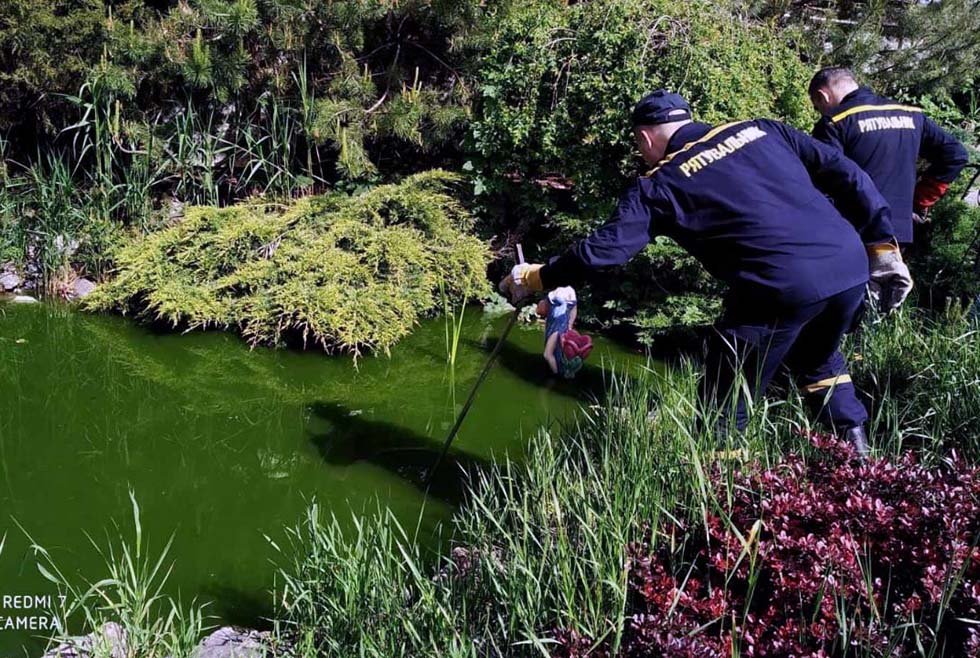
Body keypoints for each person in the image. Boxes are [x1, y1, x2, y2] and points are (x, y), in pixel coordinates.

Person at [500, 90, 914, 456]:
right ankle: (861, 466)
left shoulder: (659, 182)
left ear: (645, 138)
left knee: (725, 399)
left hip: (778, 286)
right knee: (820, 362)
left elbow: (605, 251)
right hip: (849, 266)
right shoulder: (762, 129)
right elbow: (850, 175)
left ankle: (723, 510)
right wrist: (881, 245)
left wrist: (538, 278)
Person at [809, 67, 969, 247]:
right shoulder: (911, 114)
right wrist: (920, 200)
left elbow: (825, 183)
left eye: (817, 107)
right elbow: (956, 155)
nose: (820, 112)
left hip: (854, 232)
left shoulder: (834, 122)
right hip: (899, 232)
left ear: (823, 96)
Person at [536, 286, 592, 378]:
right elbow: (574, 309)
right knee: (559, 351)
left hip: (556, 328)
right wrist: (569, 325)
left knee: (548, 354)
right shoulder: (571, 290)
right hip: (564, 326)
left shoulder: (557, 291)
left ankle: (556, 375)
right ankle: (562, 371)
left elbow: (543, 310)